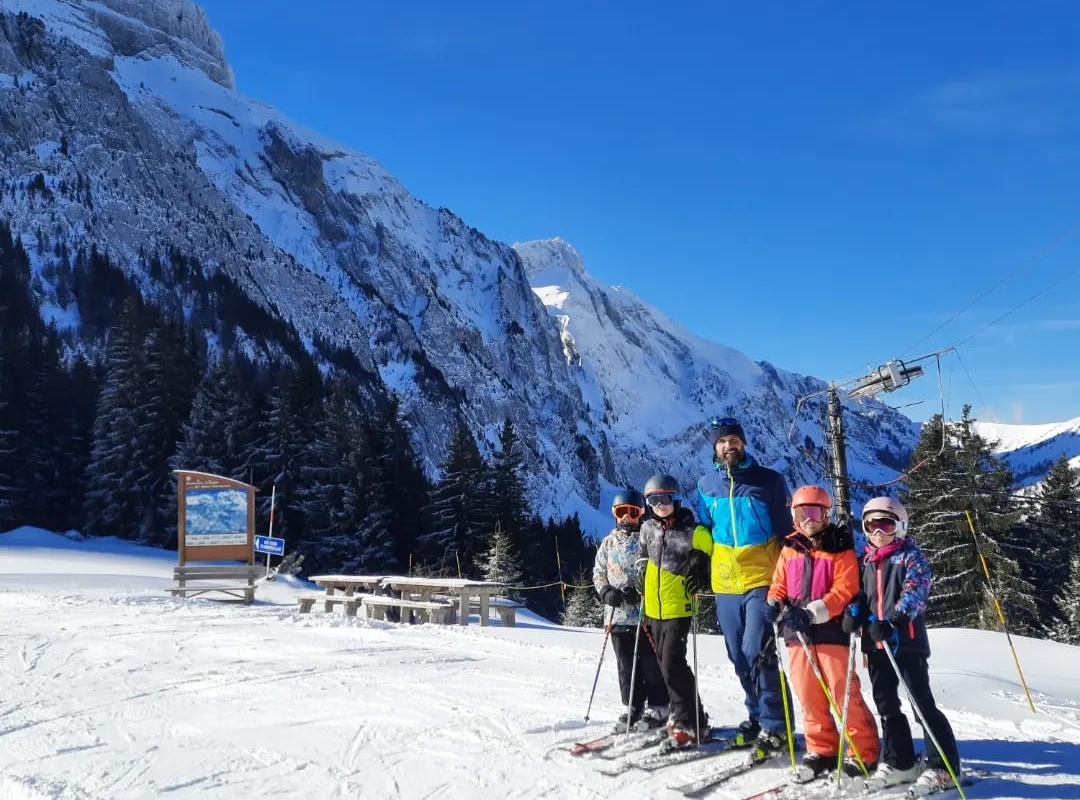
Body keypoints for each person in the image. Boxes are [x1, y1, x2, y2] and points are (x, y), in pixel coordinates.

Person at [844, 497, 961, 796]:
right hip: (875, 643)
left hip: (905, 641)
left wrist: (894, 620)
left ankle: (942, 766)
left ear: (900, 526)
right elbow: (860, 593)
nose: (878, 531)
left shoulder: (911, 557)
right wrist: (854, 612)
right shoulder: (866, 560)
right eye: (871, 525)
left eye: (886, 524)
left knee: (921, 704)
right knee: (886, 704)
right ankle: (900, 761)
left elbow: (916, 593)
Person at [766, 485, 880, 780]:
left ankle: (863, 751)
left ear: (826, 515)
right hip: (797, 635)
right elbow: (779, 584)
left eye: (815, 512)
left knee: (844, 693)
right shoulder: (790, 548)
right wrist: (775, 602)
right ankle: (822, 750)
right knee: (808, 694)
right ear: (794, 515)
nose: (809, 520)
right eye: (802, 513)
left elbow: (845, 589)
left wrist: (812, 612)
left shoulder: (839, 547)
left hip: (830, 632)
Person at [694, 417, 792, 752]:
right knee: (737, 654)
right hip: (724, 582)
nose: (728, 446)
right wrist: (696, 553)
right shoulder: (706, 486)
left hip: (761, 578)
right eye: (722, 442)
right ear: (715, 448)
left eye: (733, 440)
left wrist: (788, 579)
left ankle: (777, 724)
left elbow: (785, 530)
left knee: (757, 649)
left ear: (744, 443)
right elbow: (706, 529)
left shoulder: (769, 481)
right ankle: (756, 717)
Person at [637, 473, 712, 747]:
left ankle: (685, 721)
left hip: (678, 606)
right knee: (666, 665)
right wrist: (640, 572)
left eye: (666, 499)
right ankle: (697, 720)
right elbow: (642, 554)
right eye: (654, 500)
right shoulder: (647, 528)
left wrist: (699, 569)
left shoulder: (692, 530)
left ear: (676, 498)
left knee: (672, 664)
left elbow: (709, 557)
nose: (660, 505)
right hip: (653, 608)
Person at [593, 488, 670, 730]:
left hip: (645, 615)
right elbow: (598, 572)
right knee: (626, 664)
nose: (627, 518)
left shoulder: (648, 538)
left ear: (641, 514)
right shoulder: (607, 543)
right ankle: (632, 706)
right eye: (621, 512)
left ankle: (658, 706)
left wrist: (640, 590)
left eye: (632, 513)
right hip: (617, 616)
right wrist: (606, 592)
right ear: (615, 515)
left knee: (650, 662)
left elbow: (659, 569)